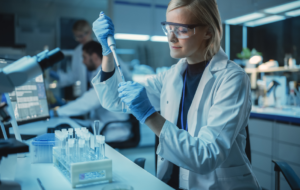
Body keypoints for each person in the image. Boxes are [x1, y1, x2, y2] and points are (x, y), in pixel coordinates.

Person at [92, 0, 261, 190]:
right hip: (171, 183)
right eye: (168, 27)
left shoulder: (232, 78)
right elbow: (114, 100)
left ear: (208, 31)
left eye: (181, 30)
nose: (171, 38)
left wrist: (149, 115)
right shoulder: (171, 76)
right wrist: (106, 51)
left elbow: (207, 156)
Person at [50, 41, 131, 143]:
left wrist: (57, 112)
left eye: (84, 57)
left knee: (71, 136)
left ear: (94, 56)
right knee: (69, 127)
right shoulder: (100, 73)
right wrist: (65, 106)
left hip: (114, 129)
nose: (83, 62)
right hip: (103, 124)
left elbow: (89, 102)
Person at [50, 20, 93, 95]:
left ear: (89, 32)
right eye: (76, 36)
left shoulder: (102, 48)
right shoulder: (77, 51)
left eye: (80, 36)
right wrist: (58, 77)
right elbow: (74, 75)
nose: (78, 39)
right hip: (86, 95)